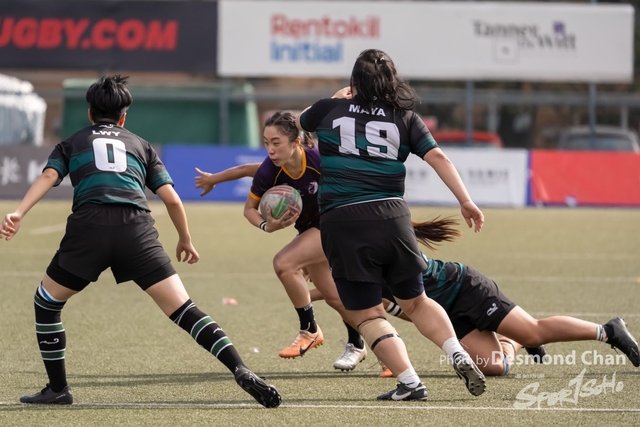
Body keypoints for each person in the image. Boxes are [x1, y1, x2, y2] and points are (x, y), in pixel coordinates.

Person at [0, 75, 281, 408]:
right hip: (136, 230)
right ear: (123, 117)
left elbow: (49, 176)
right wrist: (185, 239)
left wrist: (19, 212)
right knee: (185, 310)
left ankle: (58, 389)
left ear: (89, 114)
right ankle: (240, 367)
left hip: (89, 230)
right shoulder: (141, 145)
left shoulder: (72, 142)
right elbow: (172, 199)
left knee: (47, 303)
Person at [295, 49, 487, 401]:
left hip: (344, 222)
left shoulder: (328, 109)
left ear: (354, 81)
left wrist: (337, 98)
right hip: (394, 219)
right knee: (417, 301)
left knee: (368, 315)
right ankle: (456, 351)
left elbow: (299, 122)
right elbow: (438, 156)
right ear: (391, 82)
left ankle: (411, 382)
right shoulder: (406, 118)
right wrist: (466, 200)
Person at [311, 219, 640, 377]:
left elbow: (345, 294)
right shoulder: (354, 262)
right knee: (496, 367)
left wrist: (308, 289)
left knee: (534, 331)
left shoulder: (372, 251)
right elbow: (340, 294)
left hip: (465, 288)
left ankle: (608, 331)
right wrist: (307, 291)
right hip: (447, 314)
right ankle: (513, 341)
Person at [197, 111, 368, 371]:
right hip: (310, 229)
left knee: (284, 263)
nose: (270, 149)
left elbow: (355, 183)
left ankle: (309, 330)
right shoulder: (270, 169)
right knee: (334, 297)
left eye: (276, 142)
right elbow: (249, 208)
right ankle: (379, 343)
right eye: (266, 142)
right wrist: (266, 225)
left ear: (296, 141)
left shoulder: (320, 161)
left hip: (338, 224)